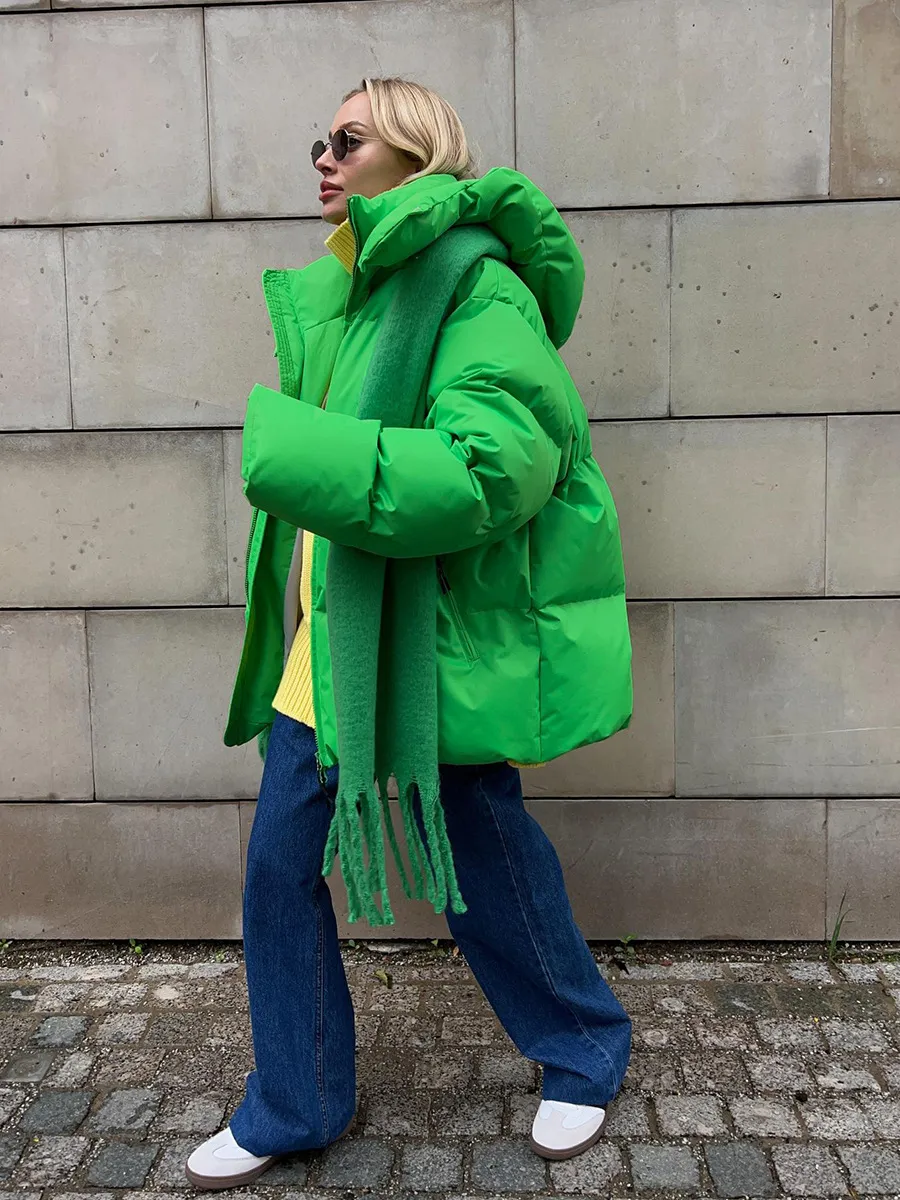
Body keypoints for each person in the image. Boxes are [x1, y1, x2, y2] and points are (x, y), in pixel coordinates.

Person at [186, 76, 633, 1189]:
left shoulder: (476, 283)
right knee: (278, 868)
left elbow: (493, 472)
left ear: (417, 154)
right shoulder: (358, 285)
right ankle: (297, 1102)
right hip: (336, 634)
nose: (323, 160)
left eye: (348, 140)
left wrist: (292, 453)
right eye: (320, 140)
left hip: (436, 637)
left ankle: (583, 1048)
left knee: (482, 856)